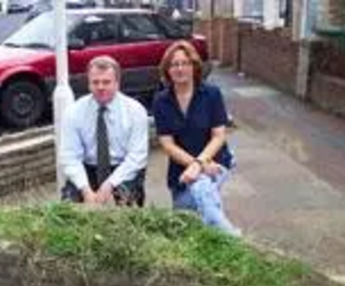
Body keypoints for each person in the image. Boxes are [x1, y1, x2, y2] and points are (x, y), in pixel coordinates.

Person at [152, 40, 241, 236]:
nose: (180, 68)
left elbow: (218, 136)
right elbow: (167, 144)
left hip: (215, 161)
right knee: (184, 217)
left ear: (194, 67)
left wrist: (199, 164)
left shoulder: (211, 94)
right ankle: (225, 238)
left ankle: (230, 239)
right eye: (174, 64)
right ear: (167, 70)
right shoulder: (161, 101)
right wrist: (195, 164)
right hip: (181, 168)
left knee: (201, 190)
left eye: (185, 63)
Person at [59, 55, 149, 206]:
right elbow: (70, 157)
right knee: (68, 208)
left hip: (123, 168)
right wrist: (85, 189)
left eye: (106, 82)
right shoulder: (73, 112)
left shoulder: (135, 111)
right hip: (88, 167)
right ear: (89, 84)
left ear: (117, 83)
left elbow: (136, 157)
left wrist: (109, 186)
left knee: (127, 204)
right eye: (95, 82)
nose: (100, 87)